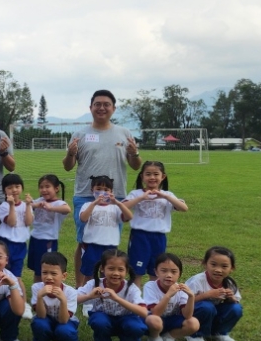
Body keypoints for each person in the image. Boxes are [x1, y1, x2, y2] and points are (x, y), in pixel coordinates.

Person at [63, 89, 142, 286]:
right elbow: (68, 166)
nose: (101, 108)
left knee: (109, 244)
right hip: (85, 195)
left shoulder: (124, 133)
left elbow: (135, 165)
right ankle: (81, 287)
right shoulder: (80, 134)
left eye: (106, 104)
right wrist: (70, 153)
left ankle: (107, 287)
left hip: (116, 197)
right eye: (97, 104)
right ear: (90, 108)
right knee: (84, 243)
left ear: (113, 108)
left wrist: (134, 153)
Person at [77, 249, 148, 341]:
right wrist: (89, 296)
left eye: (120, 269)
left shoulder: (131, 288)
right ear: (102, 268)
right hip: (104, 319)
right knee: (99, 321)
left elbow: (144, 312)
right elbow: (72, 299)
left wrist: (117, 298)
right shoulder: (94, 284)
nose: (116, 273)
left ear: (126, 271)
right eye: (111, 268)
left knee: (135, 326)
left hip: (126, 319)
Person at [123, 161, 188, 279]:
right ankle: (135, 291)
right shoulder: (136, 193)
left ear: (163, 176)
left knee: (155, 271)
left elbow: (184, 208)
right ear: (142, 176)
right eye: (148, 174)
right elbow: (123, 206)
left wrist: (165, 196)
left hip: (159, 238)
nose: (152, 177)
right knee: (136, 271)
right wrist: (141, 198)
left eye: (156, 174)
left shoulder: (167, 195)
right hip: (139, 237)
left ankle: (153, 291)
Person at [78, 175, 133, 286]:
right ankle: (86, 293)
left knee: (108, 272)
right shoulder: (87, 205)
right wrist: (94, 203)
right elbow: (83, 218)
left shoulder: (115, 208)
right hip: (92, 245)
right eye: (98, 189)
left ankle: (106, 292)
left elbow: (129, 216)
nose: (102, 192)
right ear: (92, 190)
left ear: (111, 192)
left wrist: (118, 203)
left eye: (106, 190)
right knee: (89, 273)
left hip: (110, 246)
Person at [185, 246, 242, 341]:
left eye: (224, 266)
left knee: (236, 308)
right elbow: (183, 303)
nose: (218, 270)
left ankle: (219, 333)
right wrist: (207, 295)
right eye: (213, 264)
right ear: (205, 264)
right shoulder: (197, 281)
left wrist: (231, 298)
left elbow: (236, 302)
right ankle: (194, 334)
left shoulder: (229, 283)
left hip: (213, 313)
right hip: (193, 314)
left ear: (232, 268)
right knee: (207, 306)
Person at [143, 253, 199, 341]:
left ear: (179, 274)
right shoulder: (150, 286)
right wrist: (168, 295)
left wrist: (191, 297)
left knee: (193, 323)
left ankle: (168, 338)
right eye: (164, 271)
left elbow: (187, 315)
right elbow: (155, 313)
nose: (169, 275)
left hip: (170, 321)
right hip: (151, 323)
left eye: (174, 272)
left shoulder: (181, 289)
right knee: (154, 319)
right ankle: (154, 339)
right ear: (156, 272)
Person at [27, 252, 80, 341]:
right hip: (46, 318)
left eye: (53, 273)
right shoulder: (37, 288)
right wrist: (40, 297)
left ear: (63, 276)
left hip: (66, 321)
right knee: (39, 323)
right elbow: (41, 316)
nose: (48, 277)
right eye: (44, 272)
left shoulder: (71, 292)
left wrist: (63, 300)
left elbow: (64, 320)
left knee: (65, 330)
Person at [27, 174, 71, 282]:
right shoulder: (39, 200)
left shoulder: (59, 203)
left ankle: (46, 288)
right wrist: (31, 204)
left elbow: (67, 209)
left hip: (48, 240)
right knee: (37, 269)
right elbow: (28, 206)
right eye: (41, 187)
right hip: (35, 238)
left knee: (46, 267)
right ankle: (37, 288)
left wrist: (51, 208)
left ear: (56, 188)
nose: (44, 190)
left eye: (47, 187)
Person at [0, 173, 33, 278]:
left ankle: (16, 287)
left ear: (22, 188)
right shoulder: (4, 206)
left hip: (21, 244)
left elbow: (28, 222)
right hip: (6, 242)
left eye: (17, 186)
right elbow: (11, 223)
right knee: (3, 271)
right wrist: (12, 205)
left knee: (16, 274)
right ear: (4, 191)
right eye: (10, 188)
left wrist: (28, 205)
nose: (14, 190)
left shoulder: (26, 205)